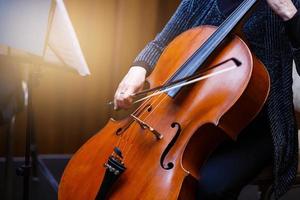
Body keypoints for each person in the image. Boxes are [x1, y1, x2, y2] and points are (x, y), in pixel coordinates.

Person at [114, 0, 300, 199]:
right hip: (187, 114)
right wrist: (137, 69)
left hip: (255, 125)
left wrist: (289, 13)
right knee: (133, 163)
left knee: (210, 185)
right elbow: (162, 42)